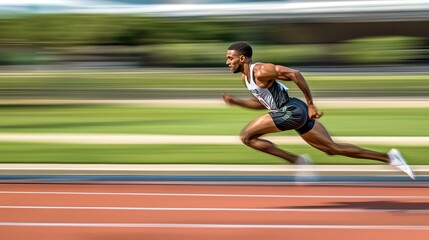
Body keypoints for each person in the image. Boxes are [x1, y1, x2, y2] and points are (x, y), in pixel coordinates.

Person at [223, 41, 415, 179]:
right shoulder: (245, 79)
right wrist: (237, 102)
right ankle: (389, 157)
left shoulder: (260, 70)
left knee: (247, 137)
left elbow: (294, 73)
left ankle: (297, 160)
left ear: (242, 58)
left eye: (230, 58)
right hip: (293, 111)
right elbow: (263, 104)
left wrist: (311, 103)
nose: (227, 62)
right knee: (332, 149)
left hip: (292, 110)